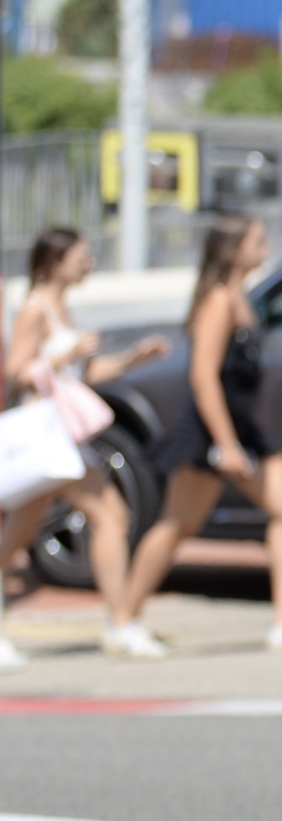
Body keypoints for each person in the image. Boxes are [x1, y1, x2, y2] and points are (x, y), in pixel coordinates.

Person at [121, 217, 282, 650]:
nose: (266, 246)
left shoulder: (241, 298)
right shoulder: (218, 302)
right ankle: (125, 620)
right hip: (211, 431)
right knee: (179, 524)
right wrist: (225, 444)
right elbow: (203, 378)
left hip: (245, 428)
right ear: (232, 249)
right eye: (257, 240)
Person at [0, 227, 170, 656]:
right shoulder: (36, 309)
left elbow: (84, 378)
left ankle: (120, 622)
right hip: (49, 437)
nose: (88, 264)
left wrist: (132, 358)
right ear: (53, 262)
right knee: (110, 516)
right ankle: (120, 623)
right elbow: (18, 371)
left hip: (62, 441)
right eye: (80, 256)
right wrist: (65, 355)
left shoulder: (61, 309)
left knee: (18, 536)